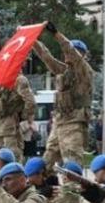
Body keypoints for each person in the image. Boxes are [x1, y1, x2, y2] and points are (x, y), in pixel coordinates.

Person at [31, 23, 94, 166]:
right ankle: (44, 186)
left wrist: (57, 35)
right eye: (65, 52)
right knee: (46, 161)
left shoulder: (84, 71)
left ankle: (72, 188)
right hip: (60, 122)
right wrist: (33, 41)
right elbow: (46, 57)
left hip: (74, 123)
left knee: (72, 164)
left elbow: (72, 53)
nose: (67, 54)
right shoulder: (64, 71)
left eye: (73, 52)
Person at [0, 73, 36, 162]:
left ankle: (13, 174)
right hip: (1, 124)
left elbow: (30, 102)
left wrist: (24, 115)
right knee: (0, 154)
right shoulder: (1, 81)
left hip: (8, 123)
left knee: (10, 153)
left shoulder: (18, 80)